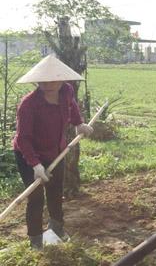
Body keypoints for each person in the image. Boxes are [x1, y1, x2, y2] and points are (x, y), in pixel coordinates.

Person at [12, 55, 94, 249]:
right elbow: (23, 138)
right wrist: (35, 164)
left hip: (56, 152)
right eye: (43, 80)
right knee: (36, 197)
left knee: (56, 192)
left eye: (52, 79)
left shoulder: (66, 91)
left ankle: (57, 227)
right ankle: (35, 239)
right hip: (28, 155)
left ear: (61, 78)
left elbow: (72, 106)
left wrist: (78, 123)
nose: (47, 84)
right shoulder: (29, 104)